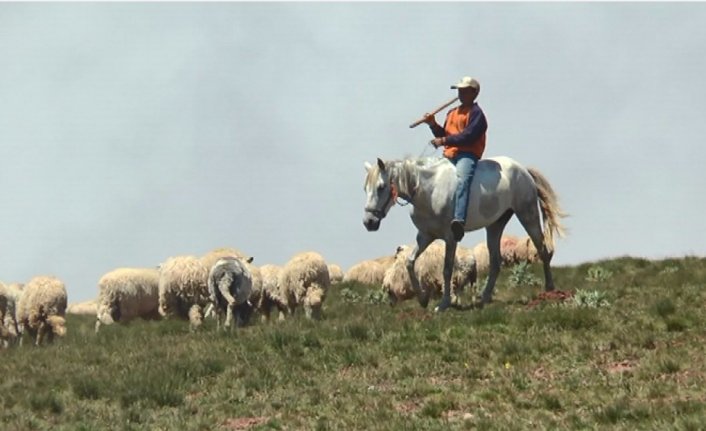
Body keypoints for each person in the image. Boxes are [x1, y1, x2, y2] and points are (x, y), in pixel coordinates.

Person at [424, 76, 488, 242]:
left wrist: (444, 141)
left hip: (467, 154)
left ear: (474, 93)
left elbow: (468, 137)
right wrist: (432, 124)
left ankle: (459, 220)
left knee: (462, 180)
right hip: (449, 154)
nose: (461, 94)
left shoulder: (477, 114)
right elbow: (444, 134)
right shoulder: (452, 112)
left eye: (465, 91)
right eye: (459, 90)